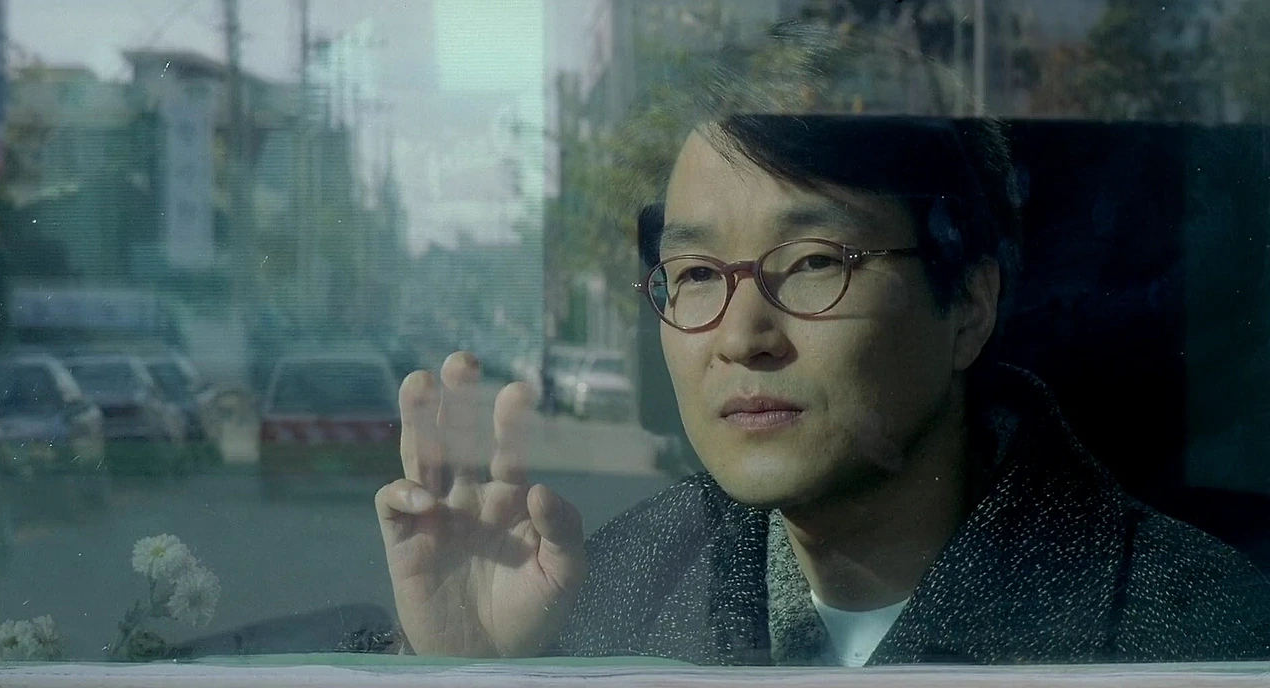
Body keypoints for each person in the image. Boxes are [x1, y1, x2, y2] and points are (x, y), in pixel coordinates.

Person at [375, 114, 1270, 666]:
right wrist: (462, 670)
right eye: (696, 274)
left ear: (968, 304)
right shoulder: (604, 597)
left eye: (813, 262)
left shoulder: (1196, 635)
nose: (741, 336)